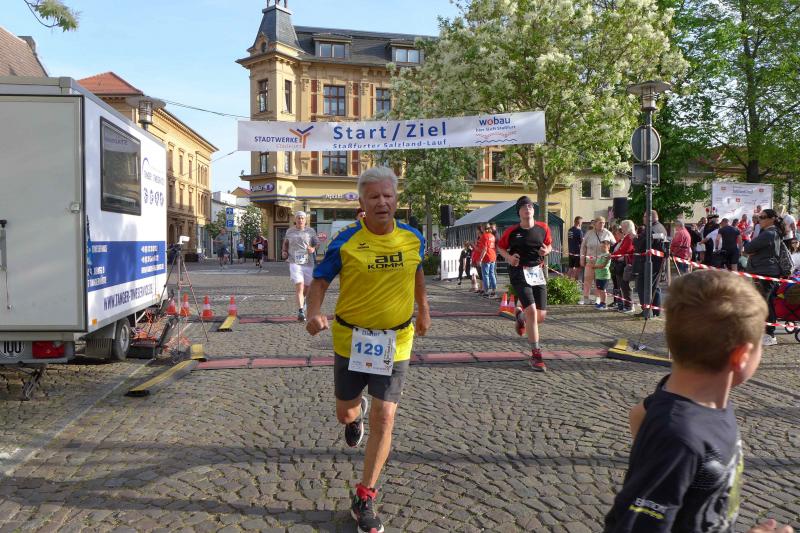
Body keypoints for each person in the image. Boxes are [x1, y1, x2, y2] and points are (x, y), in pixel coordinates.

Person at [603, 270, 796, 533]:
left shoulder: (688, 395)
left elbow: (639, 413)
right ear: (741, 356)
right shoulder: (679, 438)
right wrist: (659, 455)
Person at [305, 167, 430, 533]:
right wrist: (313, 313)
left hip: (396, 340)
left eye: (388, 195)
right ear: (361, 202)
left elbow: (416, 271)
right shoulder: (345, 241)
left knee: (386, 416)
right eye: (374, 196)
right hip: (352, 340)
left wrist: (424, 309)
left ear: (396, 199)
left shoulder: (413, 238)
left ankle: (365, 496)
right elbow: (320, 281)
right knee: (345, 413)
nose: (382, 202)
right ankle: (354, 415)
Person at [496, 195, 552, 372]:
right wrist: (509, 258)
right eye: (523, 207)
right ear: (519, 212)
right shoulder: (512, 231)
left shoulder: (543, 228)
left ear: (533, 210)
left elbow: (549, 245)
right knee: (532, 312)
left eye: (530, 206)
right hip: (519, 271)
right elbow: (500, 247)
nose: (527, 208)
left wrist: (546, 251)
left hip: (537, 272)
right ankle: (536, 355)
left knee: (540, 316)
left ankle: (520, 318)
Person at [744, 208, 785, 346]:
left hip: (765, 271)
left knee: (765, 303)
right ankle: (767, 333)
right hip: (766, 270)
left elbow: (748, 248)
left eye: (763, 217)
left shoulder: (769, 233)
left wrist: (753, 251)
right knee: (767, 302)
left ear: (772, 219)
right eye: (759, 217)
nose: (759, 219)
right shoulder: (773, 232)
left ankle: (769, 334)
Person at [282, 211, 319, 322]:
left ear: (305, 220)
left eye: (302, 218)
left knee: (306, 288)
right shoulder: (290, 231)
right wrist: (284, 251)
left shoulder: (311, 231)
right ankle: (301, 311)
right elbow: (285, 243)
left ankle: (303, 300)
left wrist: (313, 249)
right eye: (298, 218)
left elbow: (317, 244)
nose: (300, 220)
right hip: (294, 262)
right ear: (295, 220)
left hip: (308, 263)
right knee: (300, 285)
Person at [633, 210, 667, 319]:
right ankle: (656, 311)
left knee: (643, 286)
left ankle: (647, 311)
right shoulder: (661, 227)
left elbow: (641, 245)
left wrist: (634, 238)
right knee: (654, 287)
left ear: (650, 217)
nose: (643, 218)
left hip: (649, 263)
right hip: (657, 262)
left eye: (644, 216)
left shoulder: (651, 229)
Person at [580, 217, 615, 305]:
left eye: (603, 223)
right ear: (595, 223)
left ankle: (598, 299)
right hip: (590, 261)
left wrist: (609, 255)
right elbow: (583, 247)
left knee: (598, 281)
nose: (602, 224)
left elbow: (615, 244)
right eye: (600, 222)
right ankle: (586, 298)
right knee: (587, 280)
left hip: (601, 262)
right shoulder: (589, 233)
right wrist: (582, 259)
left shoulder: (607, 233)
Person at [611, 220, 636, 313]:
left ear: (627, 227)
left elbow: (625, 249)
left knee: (625, 286)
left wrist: (613, 255)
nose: (622, 229)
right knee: (621, 285)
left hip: (626, 263)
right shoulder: (627, 236)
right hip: (622, 263)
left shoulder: (630, 237)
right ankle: (624, 305)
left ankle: (629, 306)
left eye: (623, 227)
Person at [478, 224, 497, 298]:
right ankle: (494, 291)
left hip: (487, 257)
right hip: (493, 256)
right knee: (492, 274)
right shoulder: (492, 236)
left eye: (481, 228)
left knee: (485, 275)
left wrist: (480, 259)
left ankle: (486, 291)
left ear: (483, 228)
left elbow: (485, 249)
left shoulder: (484, 236)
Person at [593, 239, 612, 310]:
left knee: (603, 290)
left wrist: (594, 267)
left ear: (608, 247)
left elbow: (603, 265)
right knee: (600, 290)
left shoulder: (607, 255)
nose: (602, 248)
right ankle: (601, 302)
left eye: (604, 247)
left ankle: (604, 304)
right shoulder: (601, 255)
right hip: (598, 276)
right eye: (601, 247)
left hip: (604, 276)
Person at [567, 216, 584, 283]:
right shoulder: (579, 231)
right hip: (577, 252)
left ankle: (566, 283)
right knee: (577, 269)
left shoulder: (570, 230)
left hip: (571, 252)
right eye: (581, 222)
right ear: (579, 222)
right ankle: (575, 283)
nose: (582, 223)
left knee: (570, 268)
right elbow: (582, 242)